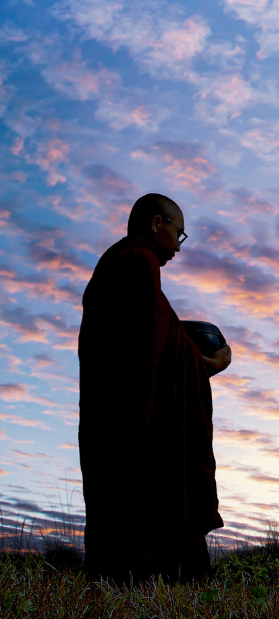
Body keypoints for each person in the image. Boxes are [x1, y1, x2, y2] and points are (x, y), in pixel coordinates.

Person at [79, 193, 231, 583]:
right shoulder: (138, 262)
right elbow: (147, 349)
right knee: (142, 495)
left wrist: (186, 353)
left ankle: (120, 578)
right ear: (156, 223)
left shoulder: (111, 268)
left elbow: (150, 340)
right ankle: (146, 576)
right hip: (134, 413)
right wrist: (206, 365)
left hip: (108, 406)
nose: (179, 248)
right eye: (178, 234)